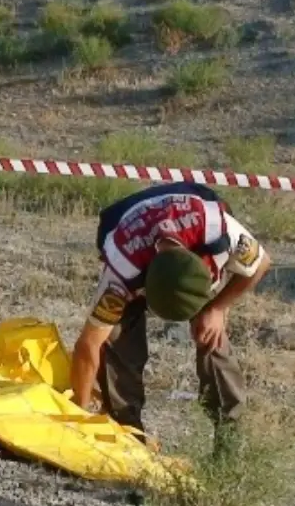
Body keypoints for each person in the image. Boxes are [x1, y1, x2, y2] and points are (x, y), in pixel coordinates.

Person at [69, 182, 271, 460]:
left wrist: (217, 309)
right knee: (116, 338)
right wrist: (77, 419)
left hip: (192, 206)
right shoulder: (122, 271)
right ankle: (127, 431)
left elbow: (261, 264)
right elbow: (88, 347)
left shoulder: (220, 231)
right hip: (125, 222)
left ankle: (229, 441)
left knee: (212, 335)